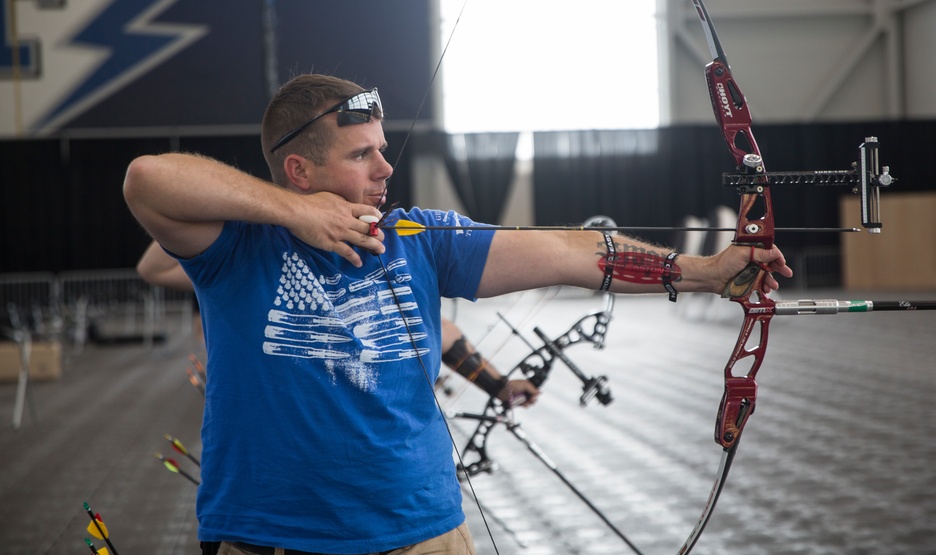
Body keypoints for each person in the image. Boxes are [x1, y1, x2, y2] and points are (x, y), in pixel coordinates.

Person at [122, 73, 791, 555]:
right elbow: (147, 178)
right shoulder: (235, 247)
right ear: (299, 170)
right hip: (271, 537)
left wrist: (701, 271)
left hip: (423, 534)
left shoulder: (420, 237)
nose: (386, 166)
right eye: (362, 154)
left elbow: (564, 251)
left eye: (382, 147)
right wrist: (294, 214)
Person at [136, 241, 540, 406]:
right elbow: (152, 266)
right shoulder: (247, 258)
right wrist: (243, 206)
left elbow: (444, 336)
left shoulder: (373, 269)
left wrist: (498, 386)